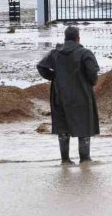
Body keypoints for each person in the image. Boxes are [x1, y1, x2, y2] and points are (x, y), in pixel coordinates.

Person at [37, 25, 100, 164]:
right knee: (84, 127)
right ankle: (85, 160)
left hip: (60, 95)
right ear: (78, 39)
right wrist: (90, 82)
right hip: (81, 95)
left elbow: (41, 66)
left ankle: (65, 160)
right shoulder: (85, 53)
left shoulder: (55, 53)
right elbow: (92, 75)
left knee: (62, 127)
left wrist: (54, 76)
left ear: (65, 39)